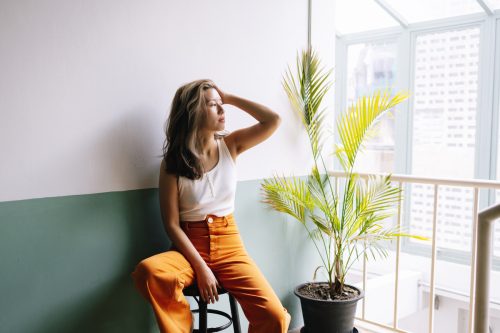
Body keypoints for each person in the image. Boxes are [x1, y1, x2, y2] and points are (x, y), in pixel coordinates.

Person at [131, 79, 291, 333]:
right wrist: (201, 268)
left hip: (231, 248)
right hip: (188, 248)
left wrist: (228, 97)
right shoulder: (172, 163)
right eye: (213, 105)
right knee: (148, 271)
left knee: (276, 317)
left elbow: (273, 120)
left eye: (221, 104)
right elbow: (171, 225)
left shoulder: (231, 145)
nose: (222, 110)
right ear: (194, 112)